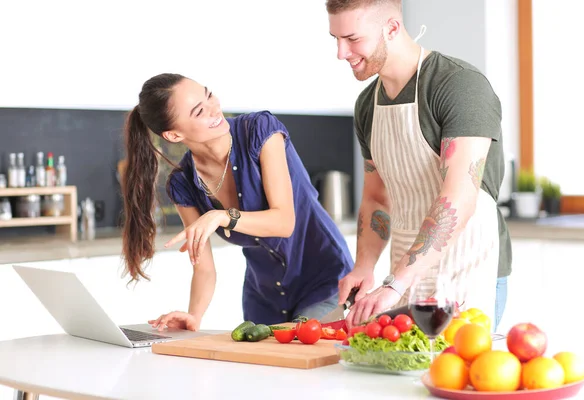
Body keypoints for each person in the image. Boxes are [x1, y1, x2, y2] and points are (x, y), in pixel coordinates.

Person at [326, 0, 512, 331]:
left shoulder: (458, 86)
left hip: (467, 270)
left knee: (450, 380)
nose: (341, 53)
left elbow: (458, 198)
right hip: (401, 280)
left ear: (392, 28)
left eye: (352, 39)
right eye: (335, 39)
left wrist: (396, 282)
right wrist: (364, 267)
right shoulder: (368, 105)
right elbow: (376, 198)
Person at [120, 73, 354, 330]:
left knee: (302, 351)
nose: (214, 109)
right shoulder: (183, 184)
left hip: (323, 280)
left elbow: (284, 222)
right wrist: (194, 316)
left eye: (209, 95)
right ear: (174, 135)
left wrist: (221, 216)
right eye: (199, 111)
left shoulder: (259, 131)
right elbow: (204, 268)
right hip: (264, 297)